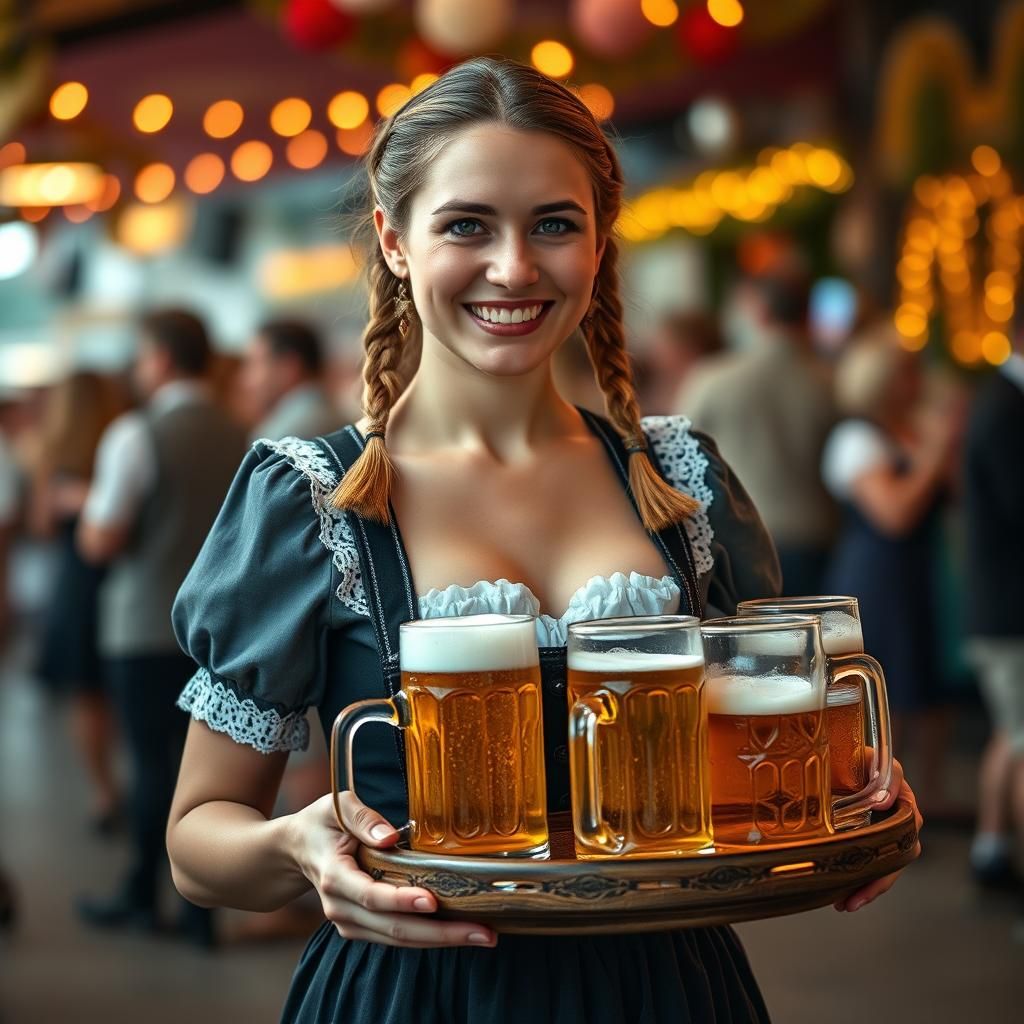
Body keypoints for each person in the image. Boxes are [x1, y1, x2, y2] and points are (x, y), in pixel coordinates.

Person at [167, 59, 921, 1023]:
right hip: (418, 995)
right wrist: (295, 850)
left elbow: (780, 735)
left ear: (600, 244)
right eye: (467, 224)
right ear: (396, 242)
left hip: (668, 992)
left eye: (554, 224)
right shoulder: (310, 499)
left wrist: (853, 803)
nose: (515, 267)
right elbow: (196, 843)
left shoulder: (683, 482)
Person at [76, 310, 246, 945]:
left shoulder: (134, 434)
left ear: (161, 358)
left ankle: (143, 894)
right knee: (210, 772)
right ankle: (201, 912)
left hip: (144, 625)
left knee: (150, 765)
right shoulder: (244, 434)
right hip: (223, 631)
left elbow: (102, 538)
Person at [822, 324, 959, 811]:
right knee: (889, 687)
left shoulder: (913, 429)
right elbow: (895, 514)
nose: (917, 380)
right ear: (879, 379)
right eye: (906, 370)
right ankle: (882, 798)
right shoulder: (857, 437)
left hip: (922, 571)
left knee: (930, 685)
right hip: (877, 574)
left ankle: (933, 796)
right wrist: (938, 450)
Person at [678, 270, 838, 596]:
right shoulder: (831, 382)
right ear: (808, 312)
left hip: (743, 547)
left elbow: (675, 456)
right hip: (821, 542)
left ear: (758, 311)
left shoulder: (712, 379)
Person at [31, 371, 127, 834]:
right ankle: (138, 786)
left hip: (75, 584)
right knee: (125, 691)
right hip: (122, 580)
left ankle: (105, 793)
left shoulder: (55, 457)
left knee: (87, 696)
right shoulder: (122, 442)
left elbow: (42, 527)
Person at [964, 324, 1024, 890]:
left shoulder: (1002, 400)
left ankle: (990, 848)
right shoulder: (1005, 409)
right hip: (1010, 609)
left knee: (1012, 736)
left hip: (1001, 605)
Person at [242, 319, 338, 442]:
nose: (246, 380)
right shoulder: (329, 415)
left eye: (254, 363)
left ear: (288, 366)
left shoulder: (284, 436)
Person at [640, 309, 723, 416]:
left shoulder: (706, 391)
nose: (653, 350)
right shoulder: (657, 391)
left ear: (689, 350)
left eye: (664, 343)